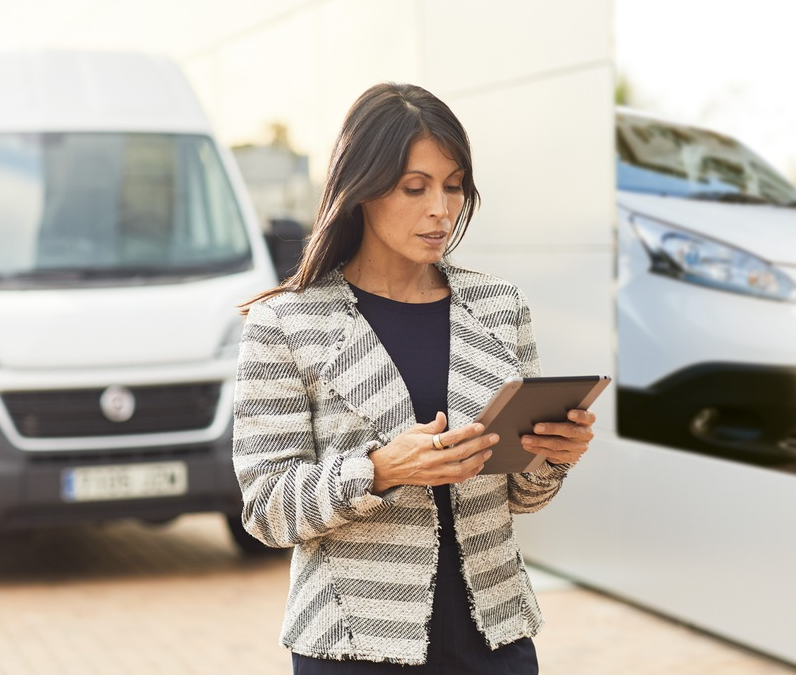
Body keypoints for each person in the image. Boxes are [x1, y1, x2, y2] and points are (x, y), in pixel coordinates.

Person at [232, 82, 596, 674]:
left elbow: (525, 500)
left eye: (453, 186)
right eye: (414, 187)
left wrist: (549, 457)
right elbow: (266, 509)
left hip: (494, 634)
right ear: (362, 190)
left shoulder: (501, 306)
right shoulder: (286, 322)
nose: (441, 209)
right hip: (355, 641)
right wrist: (380, 471)